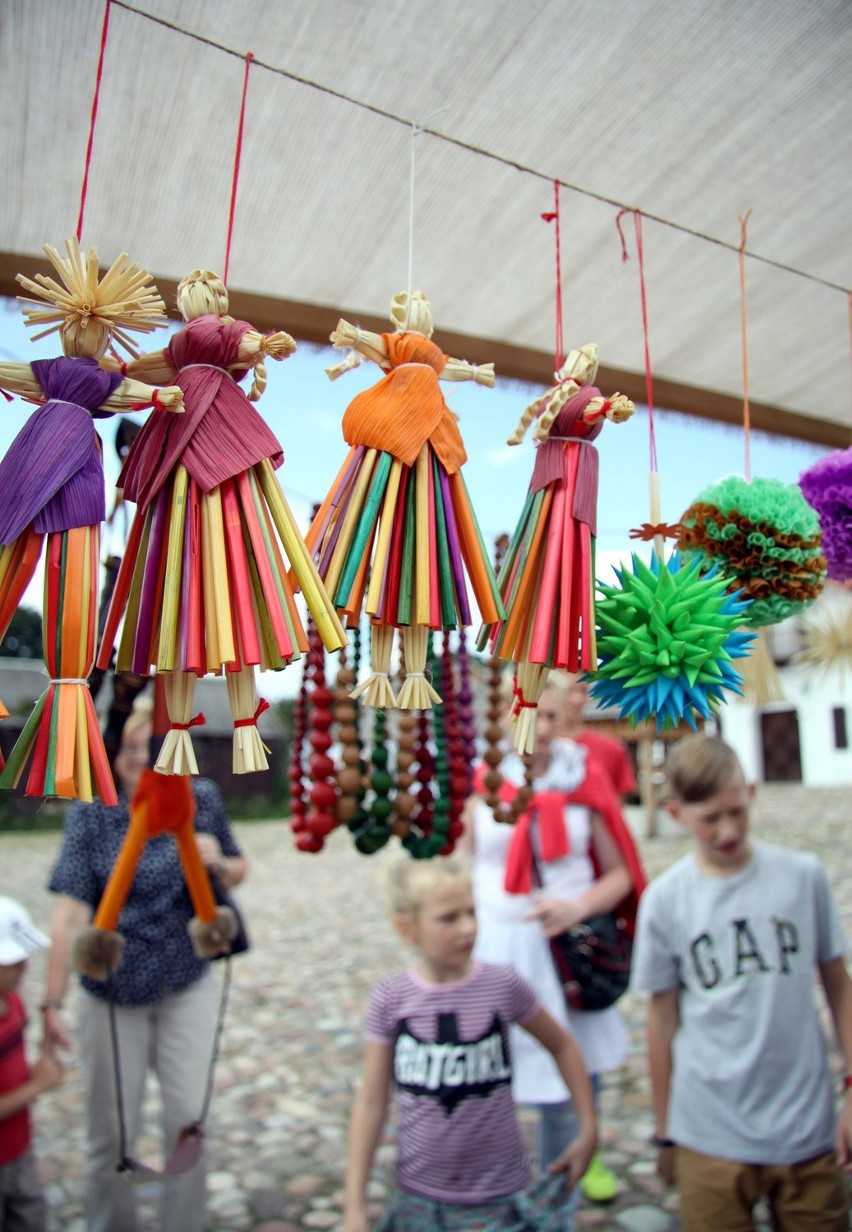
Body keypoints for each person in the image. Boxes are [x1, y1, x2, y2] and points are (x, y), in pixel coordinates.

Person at [631, 733, 851, 1231]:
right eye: (710, 819)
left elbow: (838, 983)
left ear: (750, 792)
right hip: (709, 1131)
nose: (728, 831)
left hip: (806, 1127)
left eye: (737, 811)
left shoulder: (803, 876)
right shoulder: (666, 901)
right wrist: (666, 1133)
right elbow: (661, 1018)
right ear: (676, 814)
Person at [41, 705, 247, 1232]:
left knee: (189, 1118)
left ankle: (186, 1223)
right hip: (111, 988)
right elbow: (69, 912)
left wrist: (217, 860)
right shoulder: (93, 810)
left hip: (183, 979)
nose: (139, 759)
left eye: (148, 749)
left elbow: (237, 865)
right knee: (111, 1130)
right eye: (130, 749)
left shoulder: (198, 798)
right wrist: (51, 1000)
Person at [467, 675, 645, 1227]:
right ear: (500, 719)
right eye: (524, 715)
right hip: (501, 947)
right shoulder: (482, 780)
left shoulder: (583, 776)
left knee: (572, 1079)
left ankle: (557, 1208)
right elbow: (463, 867)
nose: (537, 729)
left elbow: (620, 874)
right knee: (488, 1084)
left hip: (567, 945)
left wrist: (578, 907)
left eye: (546, 716)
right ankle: (491, 1197)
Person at [344, 856, 597, 1232]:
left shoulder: (502, 986)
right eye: (449, 918)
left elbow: (561, 1044)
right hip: (421, 1197)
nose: (468, 928)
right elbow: (371, 1101)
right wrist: (355, 1206)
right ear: (407, 928)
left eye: (472, 913)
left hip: (499, 1195)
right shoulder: (392, 1000)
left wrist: (587, 1126)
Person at [0, 897, 63, 1232]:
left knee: (29, 1216)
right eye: (12, 960)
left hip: (18, 1149)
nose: (25, 965)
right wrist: (36, 1087)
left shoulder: (13, 1002)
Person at [557, 673, 637, 803]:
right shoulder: (536, 749)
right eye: (569, 690)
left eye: (583, 690)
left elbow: (615, 810)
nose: (577, 699)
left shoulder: (612, 750)